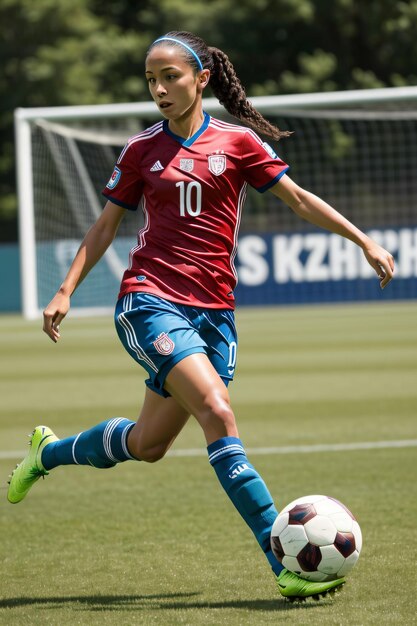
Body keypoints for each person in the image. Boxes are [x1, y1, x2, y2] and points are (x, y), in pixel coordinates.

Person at [7, 31, 394, 601]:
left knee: (147, 445)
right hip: (149, 300)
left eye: (171, 77)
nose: (160, 89)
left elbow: (299, 199)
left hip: (215, 313)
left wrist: (364, 240)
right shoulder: (141, 149)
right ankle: (278, 554)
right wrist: (65, 289)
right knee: (217, 411)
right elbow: (105, 227)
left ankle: (49, 451)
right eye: (151, 80)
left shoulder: (237, 143)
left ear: (202, 79)